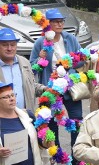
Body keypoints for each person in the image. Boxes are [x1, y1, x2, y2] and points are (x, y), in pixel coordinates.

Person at [0, 29, 46, 165]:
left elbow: (32, 86)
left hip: (23, 119)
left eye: (13, 44)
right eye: (5, 44)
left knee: (24, 160)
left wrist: (46, 89)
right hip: (2, 120)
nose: (10, 48)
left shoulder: (24, 62)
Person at [29, 8, 84, 150]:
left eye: (61, 21)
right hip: (51, 88)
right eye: (56, 22)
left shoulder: (70, 38)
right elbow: (32, 68)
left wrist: (71, 61)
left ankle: (77, 150)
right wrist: (40, 58)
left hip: (70, 86)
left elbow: (81, 60)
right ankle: (55, 151)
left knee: (76, 118)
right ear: (48, 24)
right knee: (51, 120)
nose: (60, 24)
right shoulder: (41, 42)